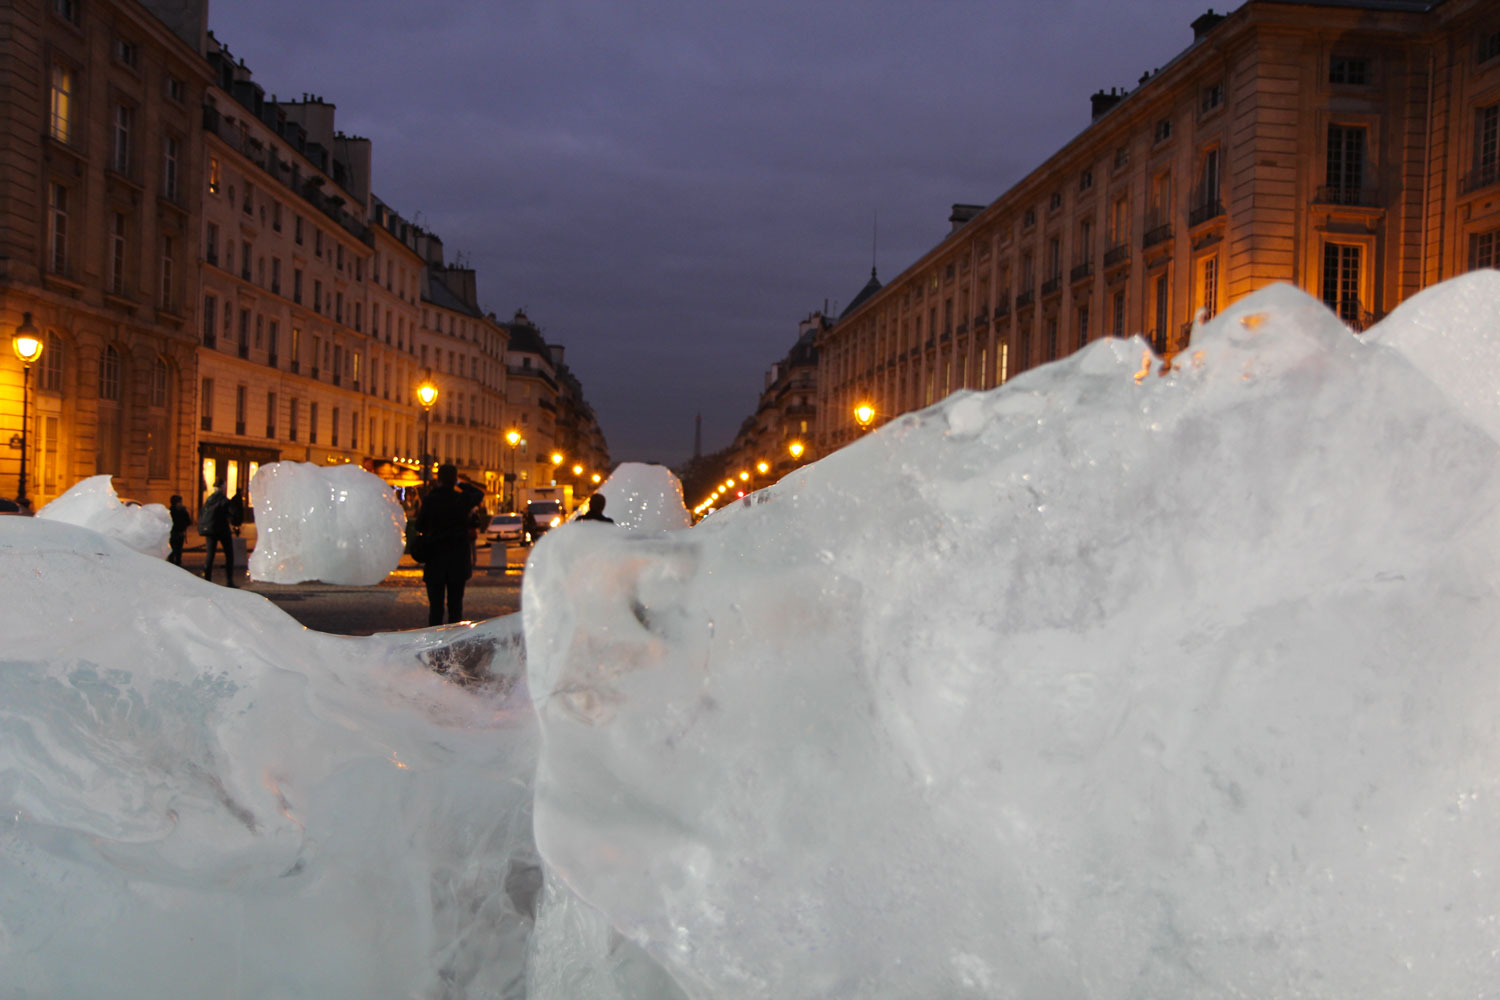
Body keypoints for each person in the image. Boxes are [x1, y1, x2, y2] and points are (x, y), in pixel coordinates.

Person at [415, 464, 484, 626]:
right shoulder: (461, 499)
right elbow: (479, 493)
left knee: (436, 610)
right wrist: (460, 484)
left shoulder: (430, 500)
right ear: (454, 479)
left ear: (438, 479)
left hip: (435, 558)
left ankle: (435, 644)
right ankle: (453, 644)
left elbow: (419, 526)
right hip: (457, 559)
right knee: (455, 609)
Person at [198, 481, 238, 587]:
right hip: (222, 530)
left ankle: (207, 580)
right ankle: (229, 581)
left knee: (210, 555)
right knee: (229, 555)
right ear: (222, 487)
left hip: (210, 531)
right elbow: (233, 512)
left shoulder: (209, 500)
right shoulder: (223, 500)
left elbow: (202, 513)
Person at [167, 494, 191, 565]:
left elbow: (188, 521)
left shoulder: (182, 511)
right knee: (172, 551)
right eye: (179, 502)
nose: (181, 504)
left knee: (178, 552)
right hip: (173, 533)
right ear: (175, 503)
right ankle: (172, 564)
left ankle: (178, 564)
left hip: (180, 533)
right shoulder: (171, 512)